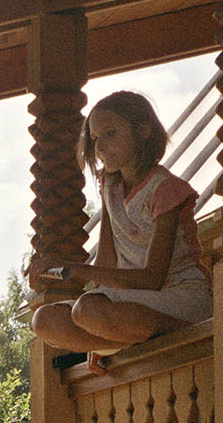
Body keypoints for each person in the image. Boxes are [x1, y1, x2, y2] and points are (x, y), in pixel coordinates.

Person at [26, 91, 212, 371]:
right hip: (135, 304)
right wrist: (102, 333)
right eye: (96, 138)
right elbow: (105, 263)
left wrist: (75, 272)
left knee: (88, 309)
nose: (100, 146)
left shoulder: (165, 189)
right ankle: (120, 340)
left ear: (143, 131)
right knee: (44, 320)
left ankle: (169, 333)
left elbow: (152, 279)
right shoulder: (109, 187)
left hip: (181, 297)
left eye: (110, 133)